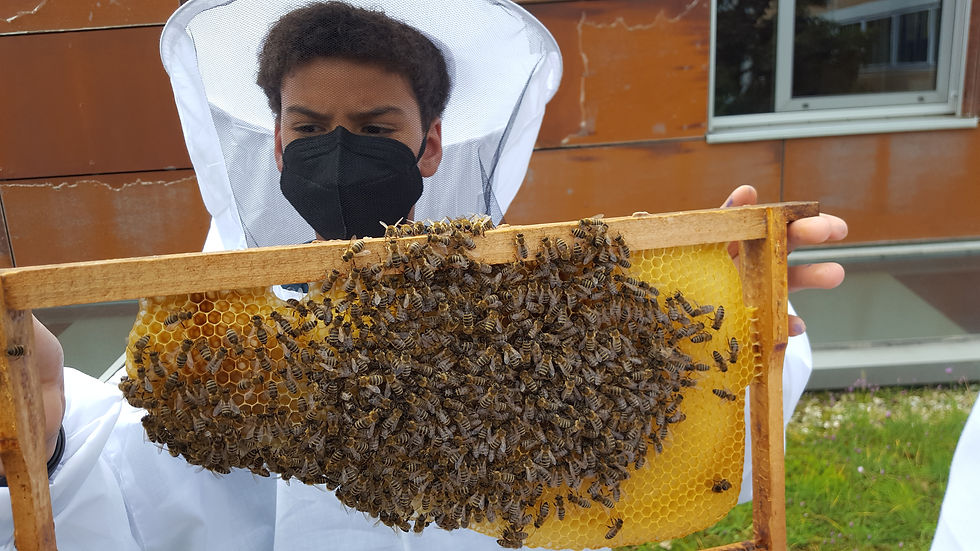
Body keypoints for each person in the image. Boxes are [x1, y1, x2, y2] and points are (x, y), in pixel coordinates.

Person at [0, 2, 848, 549]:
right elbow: (114, 491)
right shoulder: (212, 345)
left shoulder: (523, 328)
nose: (339, 149)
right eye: (310, 126)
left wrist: (732, 332)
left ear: (429, 142)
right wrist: (41, 442)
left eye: (373, 125)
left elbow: (643, 450)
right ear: (277, 141)